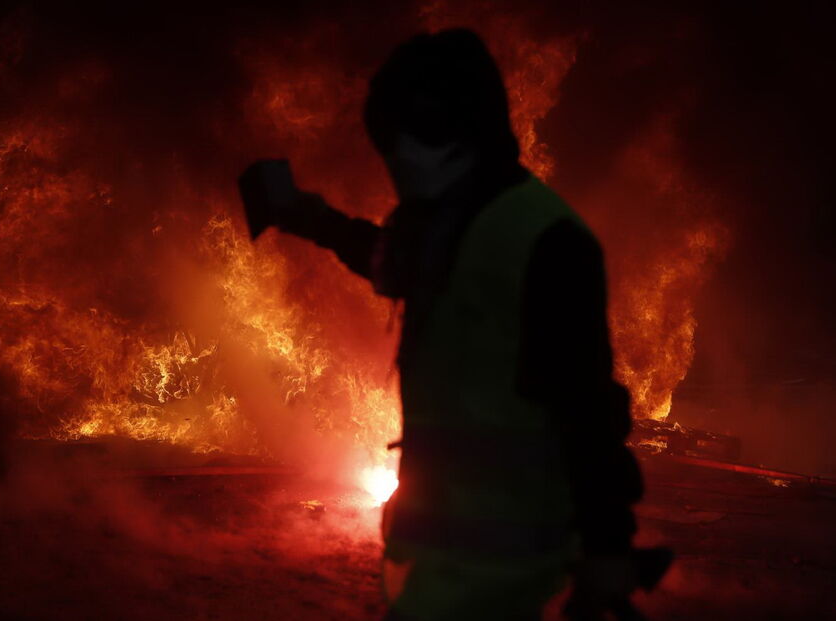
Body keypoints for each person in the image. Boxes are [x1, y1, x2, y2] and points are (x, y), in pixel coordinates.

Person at [239, 29, 652, 620]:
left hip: (512, 571)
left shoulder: (549, 243)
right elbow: (390, 257)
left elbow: (588, 408)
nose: (395, 164)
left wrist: (608, 551)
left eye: (401, 143)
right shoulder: (452, 224)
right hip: (442, 565)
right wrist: (309, 217)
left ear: (451, 130)